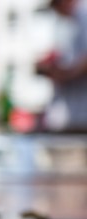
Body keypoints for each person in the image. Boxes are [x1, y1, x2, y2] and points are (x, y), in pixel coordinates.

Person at [36, 0, 87, 131]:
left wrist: (65, 74)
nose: (57, 12)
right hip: (72, 116)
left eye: (56, 6)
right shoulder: (71, 23)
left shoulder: (83, 14)